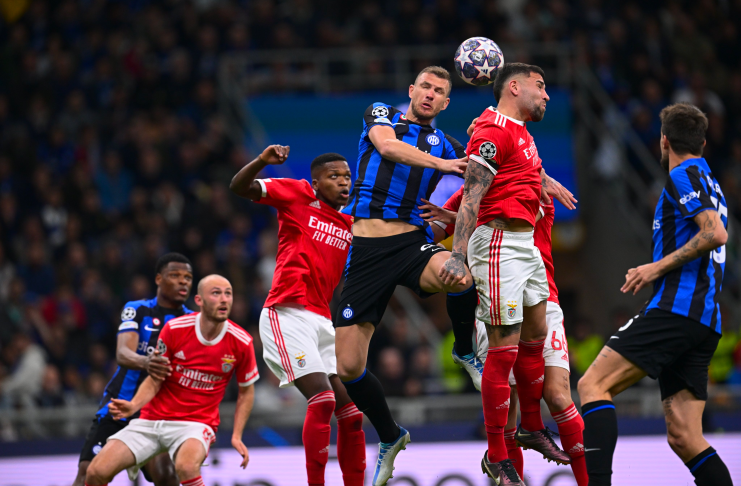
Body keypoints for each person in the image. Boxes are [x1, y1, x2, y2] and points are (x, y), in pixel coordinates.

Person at [336, 65, 479, 486]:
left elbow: (492, 169)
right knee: (347, 368)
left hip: (409, 243)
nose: (431, 95)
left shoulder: (449, 144)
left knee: (460, 277)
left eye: (440, 91)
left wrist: (540, 179)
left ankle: (465, 350)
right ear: (412, 90)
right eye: (426, 87)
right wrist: (445, 165)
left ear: (446, 102)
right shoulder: (381, 115)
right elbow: (388, 148)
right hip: (365, 251)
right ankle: (391, 435)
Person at [577, 104, 733, 486]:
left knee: (592, 385)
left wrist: (655, 268)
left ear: (663, 141)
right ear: (703, 141)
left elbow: (715, 233)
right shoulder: (710, 180)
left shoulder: (684, 174)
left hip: (676, 310)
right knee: (685, 437)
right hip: (704, 320)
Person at [438, 63, 576, 486]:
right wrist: (459, 256)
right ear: (514, 87)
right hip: (497, 243)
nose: (547, 94)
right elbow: (472, 198)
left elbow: (521, 171)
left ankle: (532, 427)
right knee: (505, 349)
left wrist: (544, 179)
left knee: (536, 332)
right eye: (541, 86)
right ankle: (498, 453)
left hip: (525, 247)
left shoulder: (520, 132)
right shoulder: (493, 131)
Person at [423, 188, 587, 485]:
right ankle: (507, 467)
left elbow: (511, 227)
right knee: (508, 407)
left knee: (559, 398)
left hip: (541, 300)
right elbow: (429, 232)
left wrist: (465, 219)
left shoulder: (535, 185)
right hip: (492, 299)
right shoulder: (469, 192)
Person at [230, 145, 366, 486]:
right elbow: (239, 187)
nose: (343, 182)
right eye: (333, 177)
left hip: (323, 320)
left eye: (347, 176)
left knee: (351, 412)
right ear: (316, 183)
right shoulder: (297, 195)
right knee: (322, 400)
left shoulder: (352, 222)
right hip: (286, 312)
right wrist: (262, 162)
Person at [84, 274, 259, 486]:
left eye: (228, 294)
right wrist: (133, 406)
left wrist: (237, 436)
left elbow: (246, 391)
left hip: (196, 424)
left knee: (185, 467)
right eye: (216, 293)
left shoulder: (241, 342)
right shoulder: (175, 329)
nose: (224, 299)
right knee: (95, 472)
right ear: (199, 300)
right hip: (151, 420)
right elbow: (155, 378)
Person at [73, 253, 194, 486]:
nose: (183, 282)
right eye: (175, 276)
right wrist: (147, 363)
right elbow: (123, 354)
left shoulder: (191, 322)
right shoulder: (138, 309)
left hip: (156, 417)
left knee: (167, 475)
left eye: (188, 277)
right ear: (159, 279)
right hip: (119, 408)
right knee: (88, 474)